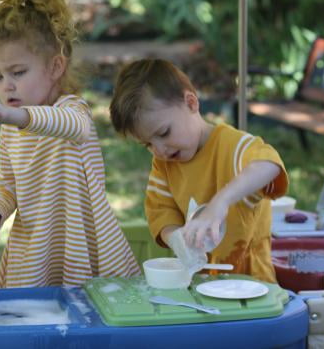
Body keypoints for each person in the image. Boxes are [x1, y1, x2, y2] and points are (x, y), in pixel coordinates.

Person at [0, 0, 141, 288]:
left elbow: (69, 125)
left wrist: (8, 115)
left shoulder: (73, 110)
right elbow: (8, 187)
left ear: (55, 67)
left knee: (89, 321)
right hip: (35, 250)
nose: (6, 86)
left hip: (83, 247)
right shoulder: (12, 130)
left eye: (18, 72)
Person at [109, 58, 288, 282]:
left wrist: (220, 202)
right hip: (200, 288)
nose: (159, 150)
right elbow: (161, 213)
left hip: (252, 288)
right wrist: (177, 239)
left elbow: (269, 165)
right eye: (148, 144)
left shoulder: (235, 147)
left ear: (191, 103)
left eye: (164, 133)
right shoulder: (165, 164)